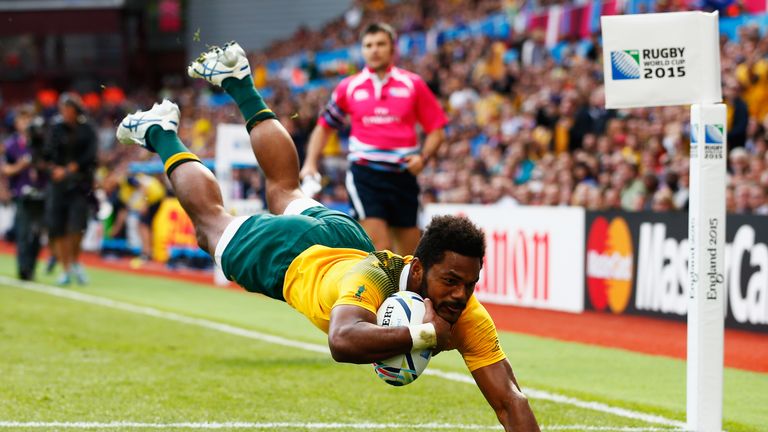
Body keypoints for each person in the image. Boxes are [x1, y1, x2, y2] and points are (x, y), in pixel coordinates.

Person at [116, 42, 539, 431]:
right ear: (418, 266)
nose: (459, 295)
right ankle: (160, 131)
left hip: (344, 237)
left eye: (469, 284)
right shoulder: (374, 278)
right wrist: (423, 336)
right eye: (451, 281)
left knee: (285, 189)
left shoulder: (465, 313)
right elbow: (342, 340)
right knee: (210, 225)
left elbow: (510, 401)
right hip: (290, 257)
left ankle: (240, 82)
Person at [299, 23, 447, 256]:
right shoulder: (349, 87)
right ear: (362, 50)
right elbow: (323, 127)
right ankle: (380, 292)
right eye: (368, 45)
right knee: (381, 249)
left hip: (404, 175)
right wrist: (309, 163)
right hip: (365, 175)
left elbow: (437, 129)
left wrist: (424, 158)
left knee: (409, 258)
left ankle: (404, 293)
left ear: (392, 49)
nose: (374, 50)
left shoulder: (413, 84)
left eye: (380, 44)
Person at [44, 93, 98, 285]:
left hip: (80, 184)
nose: (65, 113)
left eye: (69, 109)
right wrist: (54, 169)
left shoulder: (88, 130)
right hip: (57, 185)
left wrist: (68, 169)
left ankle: (74, 261)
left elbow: (91, 155)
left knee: (77, 226)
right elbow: (46, 153)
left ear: (76, 111)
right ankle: (65, 268)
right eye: (63, 110)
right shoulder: (55, 129)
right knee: (57, 227)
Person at [1, 107, 48, 280]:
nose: (25, 124)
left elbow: (49, 164)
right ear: (16, 123)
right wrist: (21, 166)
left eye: (29, 120)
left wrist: (39, 165)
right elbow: (5, 169)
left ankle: (31, 268)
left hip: (41, 192)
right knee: (22, 231)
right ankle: (23, 269)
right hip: (21, 192)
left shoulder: (42, 142)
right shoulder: (12, 144)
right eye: (22, 120)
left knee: (37, 233)